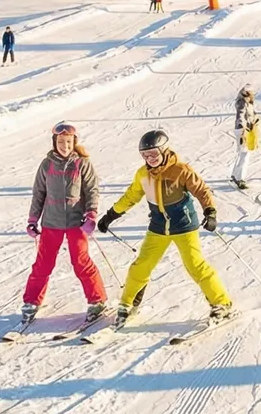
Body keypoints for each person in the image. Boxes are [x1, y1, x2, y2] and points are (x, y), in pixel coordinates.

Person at [97, 130, 232, 326]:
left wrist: (210, 212)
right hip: (158, 227)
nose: (149, 158)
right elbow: (131, 196)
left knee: (195, 265)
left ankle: (221, 303)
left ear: (164, 150)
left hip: (184, 226)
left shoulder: (180, 170)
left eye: (153, 154)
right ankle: (127, 305)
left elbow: (201, 190)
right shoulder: (143, 174)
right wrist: (111, 215)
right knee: (141, 265)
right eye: (145, 155)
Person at [20, 122, 109, 328]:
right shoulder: (46, 164)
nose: (65, 146)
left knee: (80, 261)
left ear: (74, 143)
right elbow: (39, 193)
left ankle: (97, 300)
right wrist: (33, 220)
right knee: (43, 264)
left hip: (76, 222)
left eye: (68, 142)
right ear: (55, 142)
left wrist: (91, 215)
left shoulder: (83, 163)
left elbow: (92, 190)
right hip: (51, 222)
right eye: (61, 142)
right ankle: (31, 301)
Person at [231, 85, 259, 190]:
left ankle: (235, 175)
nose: (253, 95)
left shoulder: (247, 102)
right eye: (252, 93)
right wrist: (242, 129)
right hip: (243, 130)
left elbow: (253, 114)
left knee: (243, 153)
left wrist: (258, 123)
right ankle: (240, 178)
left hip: (247, 130)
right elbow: (240, 116)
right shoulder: (242, 102)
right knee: (245, 154)